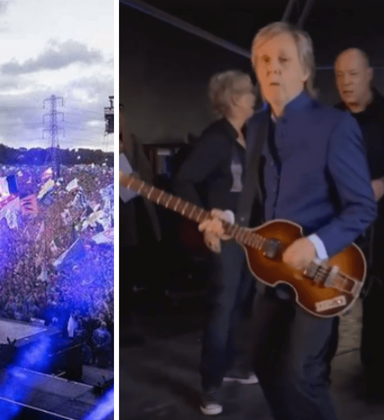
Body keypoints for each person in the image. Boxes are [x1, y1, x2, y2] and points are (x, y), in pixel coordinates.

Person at [199, 22, 376, 420]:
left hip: (322, 269)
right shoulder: (257, 126)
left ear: (305, 70)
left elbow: (362, 207)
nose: (272, 69)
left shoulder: (335, 126)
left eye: (283, 59)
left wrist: (315, 244)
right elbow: (256, 202)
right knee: (263, 362)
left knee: (301, 374)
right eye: (263, 60)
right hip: (273, 270)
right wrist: (229, 218)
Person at [171, 69, 258, 415]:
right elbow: (184, 180)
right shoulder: (216, 138)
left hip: (250, 236)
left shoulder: (246, 137)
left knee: (239, 302)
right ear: (235, 99)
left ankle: (231, 366)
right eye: (250, 93)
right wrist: (206, 219)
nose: (255, 98)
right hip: (225, 238)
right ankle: (210, 386)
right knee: (222, 307)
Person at [334, 47, 384, 399]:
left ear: (369, 74)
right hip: (337, 227)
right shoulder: (330, 120)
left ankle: (376, 378)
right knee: (324, 300)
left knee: (379, 303)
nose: (346, 82)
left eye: (353, 74)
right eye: (339, 76)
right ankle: (313, 377)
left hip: (381, 229)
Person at [118, 104, 162, 346]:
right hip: (122, 219)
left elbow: (148, 174)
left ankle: (134, 318)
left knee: (134, 267)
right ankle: (125, 325)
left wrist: (138, 178)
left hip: (139, 213)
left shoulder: (134, 143)